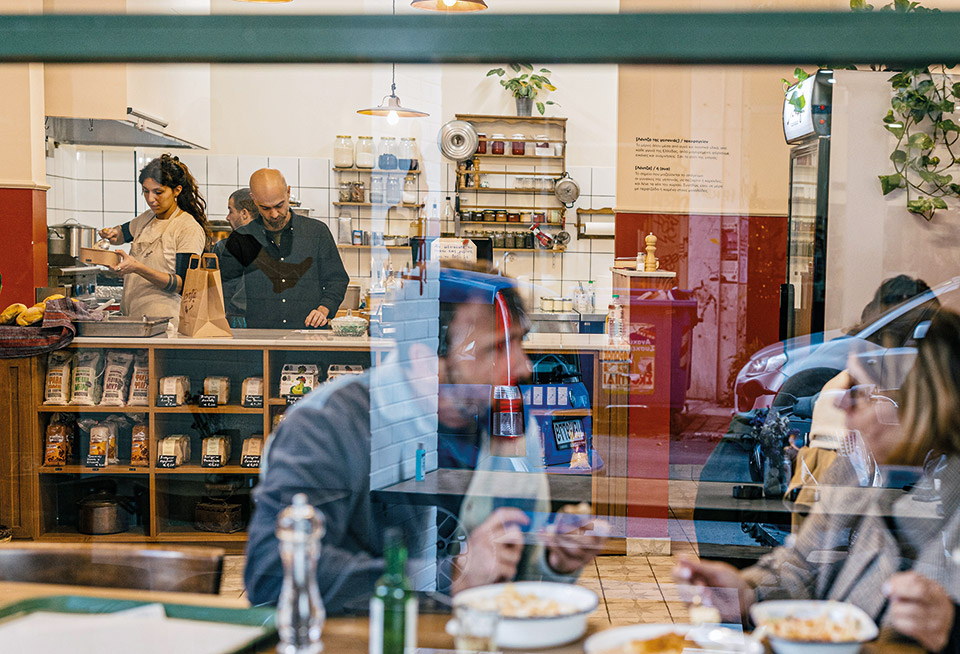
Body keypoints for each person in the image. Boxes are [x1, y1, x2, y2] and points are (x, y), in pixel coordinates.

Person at [244, 264, 605, 613]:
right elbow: (272, 572)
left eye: (519, 343)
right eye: (497, 348)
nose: (523, 366)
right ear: (424, 361)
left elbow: (510, 577)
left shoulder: (504, 422)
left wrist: (553, 560)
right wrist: (448, 577)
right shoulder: (327, 426)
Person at [675, 309, 960, 654]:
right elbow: (799, 567)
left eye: (858, 390)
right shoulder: (853, 470)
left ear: (921, 407)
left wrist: (951, 628)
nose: (840, 401)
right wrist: (745, 591)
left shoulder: (948, 503)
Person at [219, 169, 348, 329]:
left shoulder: (317, 232)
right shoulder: (241, 238)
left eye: (279, 206)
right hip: (260, 338)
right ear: (253, 199)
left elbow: (337, 280)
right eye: (265, 208)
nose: (274, 214)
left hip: (309, 336)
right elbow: (223, 289)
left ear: (288, 192)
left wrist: (323, 309)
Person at [99, 154, 208, 329]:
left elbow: (184, 285)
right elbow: (122, 234)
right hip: (136, 316)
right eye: (146, 191)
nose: (151, 199)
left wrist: (137, 267)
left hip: (165, 322)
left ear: (177, 190)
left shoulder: (188, 228)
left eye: (158, 192)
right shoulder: (147, 219)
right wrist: (111, 233)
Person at [213, 188, 258, 327]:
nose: (227, 217)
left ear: (244, 213)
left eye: (230, 211)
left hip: (233, 318)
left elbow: (213, 289)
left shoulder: (224, 246)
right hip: (264, 318)